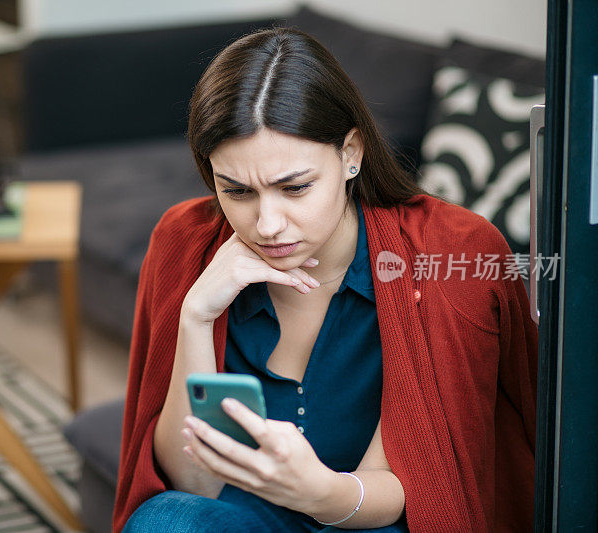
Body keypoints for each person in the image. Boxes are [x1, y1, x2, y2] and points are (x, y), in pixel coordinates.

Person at [113, 27, 538, 532]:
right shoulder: (185, 240)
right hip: (245, 517)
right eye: (238, 192)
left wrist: (319, 492)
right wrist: (196, 315)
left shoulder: (450, 251)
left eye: (295, 188)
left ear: (351, 153)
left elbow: (421, 488)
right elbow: (193, 484)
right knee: (167, 521)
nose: (267, 225)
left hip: (372, 518)